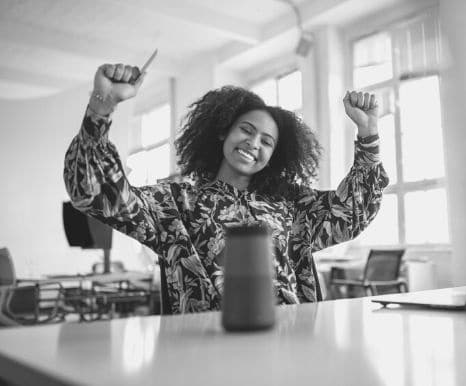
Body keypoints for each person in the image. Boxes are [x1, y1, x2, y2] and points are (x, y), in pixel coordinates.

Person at [64, 63, 389, 314]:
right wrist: (102, 104)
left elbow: (352, 212)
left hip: (288, 348)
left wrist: (369, 132)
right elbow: (97, 194)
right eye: (245, 130)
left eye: (266, 141)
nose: (253, 143)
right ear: (222, 133)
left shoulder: (291, 204)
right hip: (205, 354)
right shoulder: (175, 203)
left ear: (274, 156)